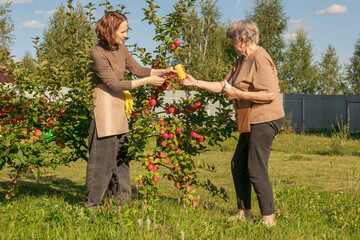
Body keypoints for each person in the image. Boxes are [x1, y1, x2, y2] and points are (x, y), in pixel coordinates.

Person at [179, 20, 285, 226]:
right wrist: (195, 82)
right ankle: (244, 213)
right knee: (238, 165)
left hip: (265, 118)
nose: (231, 44)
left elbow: (271, 93)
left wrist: (239, 93)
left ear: (242, 40)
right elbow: (223, 85)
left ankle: (268, 219)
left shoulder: (260, 59)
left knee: (255, 167)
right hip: (249, 118)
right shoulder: (241, 60)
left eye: (232, 41)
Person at [86, 11, 177, 209]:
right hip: (105, 107)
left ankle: (122, 204)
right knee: (102, 160)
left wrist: (165, 71)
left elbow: (138, 70)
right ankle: (92, 206)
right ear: (110, 31)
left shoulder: (121, 48)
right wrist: (147, 82)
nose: (126, 35)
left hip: (118, 106)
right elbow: (113, 84)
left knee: (121, 156)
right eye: (123, 31)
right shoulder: (97, 53)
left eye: (126, 31)